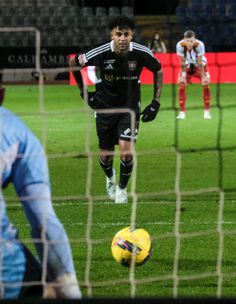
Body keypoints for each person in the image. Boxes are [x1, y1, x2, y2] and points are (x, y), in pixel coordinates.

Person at [0, 79, 81, 299]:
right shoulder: (15, 130)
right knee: (52, 290)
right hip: (5, 267)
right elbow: (43, 222)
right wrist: (68, 288)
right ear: (2, 94)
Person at [69, 16, 163, 204]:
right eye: (118, 34)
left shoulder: (141, 52)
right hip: (104, 108)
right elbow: (73, 64)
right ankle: (110, 179)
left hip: (129, 109)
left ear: (132, 35)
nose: (122, 38)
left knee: (126, 152)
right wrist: (84, 94)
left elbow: (158, 70)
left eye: (126, 34)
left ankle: (121, 189)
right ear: (111, 35)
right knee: (105, 155)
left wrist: (155, 102)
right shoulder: (100, 52)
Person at [175, 30, 211, 120]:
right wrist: (183, 76)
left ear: (195, 40)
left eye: (191, 41)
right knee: (182, 85)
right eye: (187, 41)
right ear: (184, 40)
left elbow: (199, 62)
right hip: (187, 65)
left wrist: (203, 77)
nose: (190, 43)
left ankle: (207, 112)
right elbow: (182, 62)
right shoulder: (179, 45)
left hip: (200, 66)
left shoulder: (200, 45)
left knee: (206, 84)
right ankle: (182, 113)